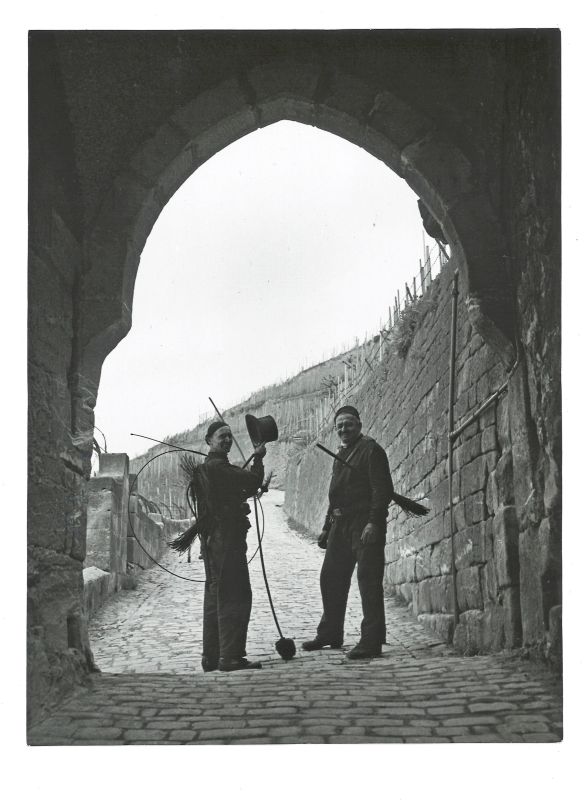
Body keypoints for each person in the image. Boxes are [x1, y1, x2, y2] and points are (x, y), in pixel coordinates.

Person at [302, 405, 394, 659]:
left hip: (364, 524)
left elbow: (382, 490)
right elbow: (336, 496)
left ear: (359, 425)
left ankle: (371, 641)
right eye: (340, 425)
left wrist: (374, 523)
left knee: (368, 580)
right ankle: (330, 632)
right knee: (330, 576)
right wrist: (326, 527)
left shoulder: (371, 450)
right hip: (341, 527)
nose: (344, 429)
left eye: (349, 424)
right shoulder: (342, 454)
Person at [193, 420, 266, 672]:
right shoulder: (219, 468)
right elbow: (252, 480)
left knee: (215, 595)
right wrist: (258, 458)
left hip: (212, 541)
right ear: (209, 441)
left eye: (230, 436)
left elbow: (233, 491)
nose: (227, 440)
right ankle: (231, 657)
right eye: (222, 436)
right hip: (227, 540)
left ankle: (211, 657)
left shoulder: (205, 469)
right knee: (235, 594)